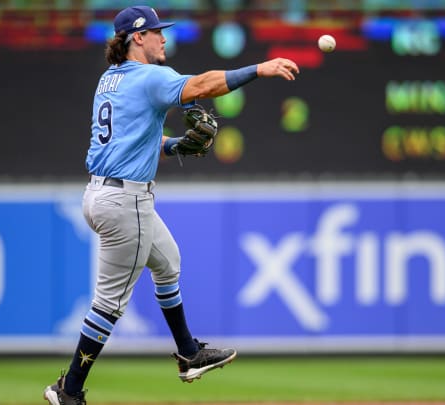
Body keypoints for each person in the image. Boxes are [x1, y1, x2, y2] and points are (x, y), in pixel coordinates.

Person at [44, 5, 300, 405]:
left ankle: (188, 352)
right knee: (109, 303)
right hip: (126, 201)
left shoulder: (109, 80)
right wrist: (257, 69)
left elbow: (130, 143)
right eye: (157, 32)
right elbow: (200, 86)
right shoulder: (151, 76)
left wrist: (177, 145)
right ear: (137, 38)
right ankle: (69, 390)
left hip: (100, 193)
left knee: (168, 262)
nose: (164, 37)